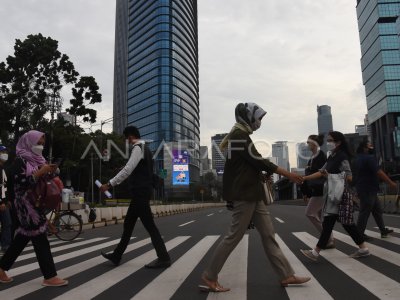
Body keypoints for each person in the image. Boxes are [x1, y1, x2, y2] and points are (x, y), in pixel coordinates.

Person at [199, 103, 310, 292]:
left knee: (268, 234)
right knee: (234, 235)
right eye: (258, 118)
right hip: (245, 193)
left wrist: (260, 175)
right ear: (247, 117)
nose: (259, 122)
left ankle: (286, 275)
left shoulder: (241, 135)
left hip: (253, 192)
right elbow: (259, 161)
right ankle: (210, 276)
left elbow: (246, 166)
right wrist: (289, 174)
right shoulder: (239, 136)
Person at [0, 131, 68, 286]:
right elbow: (22, 183)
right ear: (28, 143)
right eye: (38, 143)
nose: (40, 147)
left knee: (22, 238)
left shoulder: (38, 160)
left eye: (43, 144)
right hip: (25, 206)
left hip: (35, 203)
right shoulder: (20, 161)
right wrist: (40, 172)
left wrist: (48, 172)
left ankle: (1, 268)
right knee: (40, 238)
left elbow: (40, 183)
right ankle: (49, 276)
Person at [100, 126, 170, 268]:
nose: (126, 142)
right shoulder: (146, 150)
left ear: (130, 137)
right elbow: (136, 169)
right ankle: (117, 255)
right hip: (142, 192)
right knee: (128, 225)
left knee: (150, 226)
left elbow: (128, 169)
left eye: (126, 139)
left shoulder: (138, 148)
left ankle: (164, 258)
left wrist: (109, 184)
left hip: (140, 193)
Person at [301, 131, 369, 261]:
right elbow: (321, 172)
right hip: (334, 194)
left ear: (338, 142)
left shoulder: (342, 157)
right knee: (341, 223)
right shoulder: (332, 156)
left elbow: (349, 177)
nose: (328, 143)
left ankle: (315, 252)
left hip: (341, 194)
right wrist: (304, 178)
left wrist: (330, 176)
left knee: (334, 223)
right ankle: (363, 248)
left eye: (331, 140)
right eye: (328, 140)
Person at [354, 140, 396, 239]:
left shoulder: (357, 159)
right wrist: (390, 182)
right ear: (365, 148)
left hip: (366, 188)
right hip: (368, 189)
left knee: (377, 210)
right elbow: (379, 172)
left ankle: (383, 230)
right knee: (365, 211)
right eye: (370, 145)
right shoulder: (369, 158)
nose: (372, 147)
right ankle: (359, 234)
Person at [300, 135, 334, 248]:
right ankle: (329, 240)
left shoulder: (321, 156)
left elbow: (322, 174)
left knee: (309, 213)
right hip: (316, 190)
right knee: (319, 216)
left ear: (314, 143)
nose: (307, 144)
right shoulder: (313, 157)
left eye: (308, 142)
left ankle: (327, 238)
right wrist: (306, 192)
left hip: (321, 190)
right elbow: (308, 175)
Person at [0, 145, 12, 254]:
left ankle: (5, 245)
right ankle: (5, 245)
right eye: (3, 152)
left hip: (4, 202)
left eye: (6, 152)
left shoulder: (3, 168)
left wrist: (7, 200)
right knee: (6, 223)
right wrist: (1, 202)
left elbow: (4, 186)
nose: (5, 154)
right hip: (1, 203)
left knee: (7, 223)